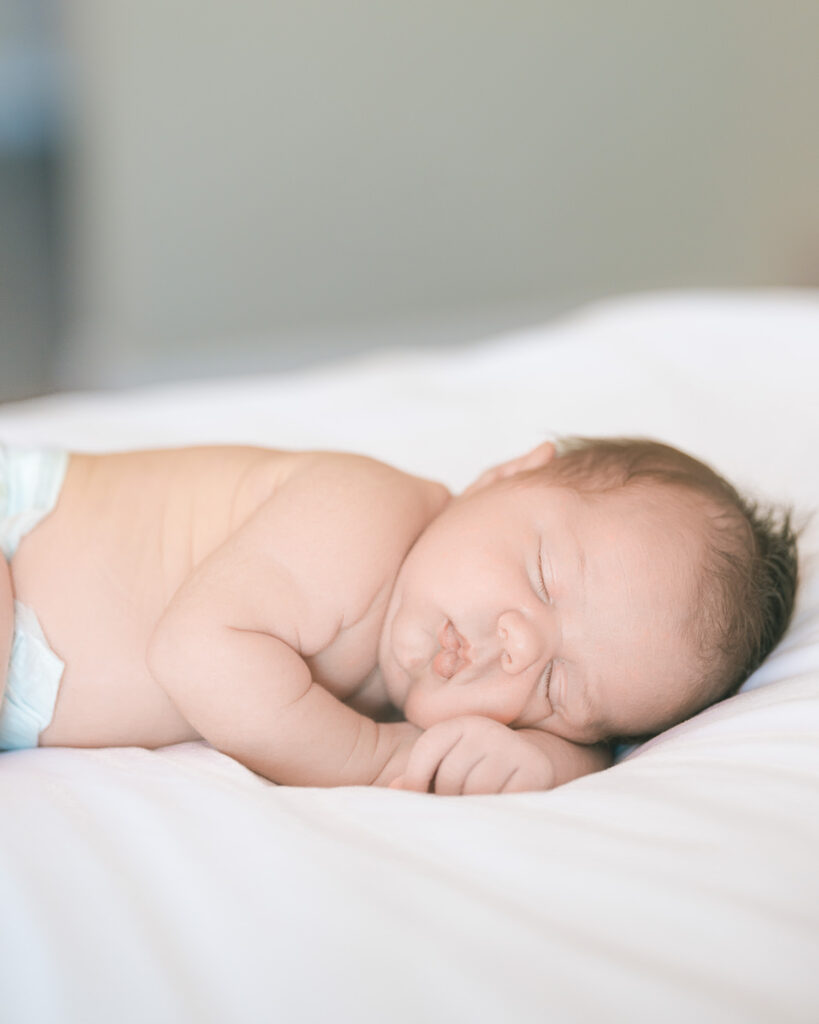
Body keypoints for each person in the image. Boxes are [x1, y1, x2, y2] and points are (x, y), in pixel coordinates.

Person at [0, 437, 798, 794]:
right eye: (544, 576)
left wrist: (555, 763)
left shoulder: (454, 685)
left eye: (558, 689)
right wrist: (375, 760)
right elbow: (198, 652)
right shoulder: (366, 517)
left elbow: (573, 759)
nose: (516, 648)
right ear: (509, 474)